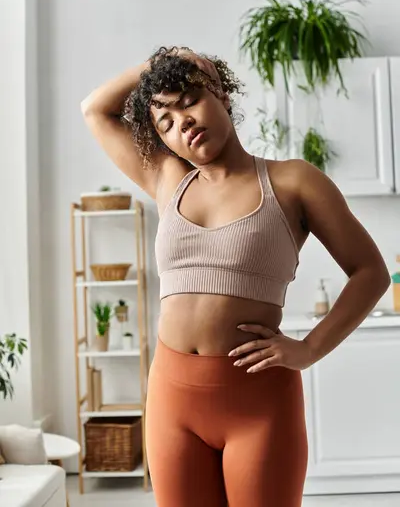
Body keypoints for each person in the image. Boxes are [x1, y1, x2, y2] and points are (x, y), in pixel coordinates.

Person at [82, 47, 390, 507]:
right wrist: (165, 63)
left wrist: (308, 349)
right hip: (172, 400)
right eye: (164, 123)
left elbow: (371, 272)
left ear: (221, 94)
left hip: (259, 403)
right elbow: (96, 109)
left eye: (188, 100)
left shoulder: (293, 182)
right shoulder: (168, 180)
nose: (181, 123)